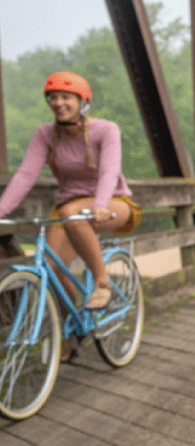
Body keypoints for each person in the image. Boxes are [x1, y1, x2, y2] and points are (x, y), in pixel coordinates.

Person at [0, 71, 142, 359]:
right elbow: (26, 174)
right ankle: (69, 331)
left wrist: (101, 202)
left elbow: (109, 171)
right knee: (50, 268)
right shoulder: (45, 134)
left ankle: (102, 282)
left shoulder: (106, 130)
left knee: (72, 212)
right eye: (53, 98)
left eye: (66, 97)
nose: (58, 102)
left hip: (112, 202)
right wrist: (1, 210)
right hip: (69, 209)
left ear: (82, 101)